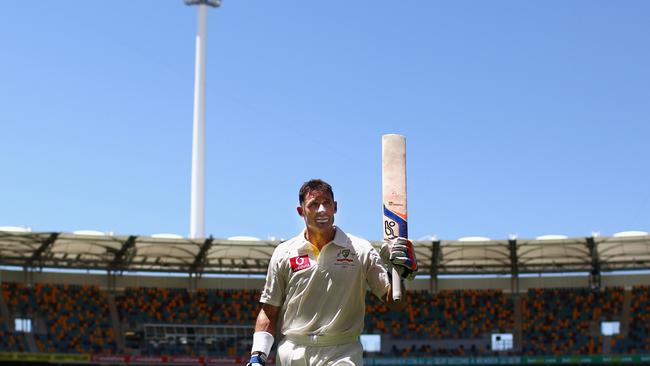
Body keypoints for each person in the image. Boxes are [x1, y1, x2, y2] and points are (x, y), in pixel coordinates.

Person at [246, 179, 417, 366]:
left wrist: (399, 273)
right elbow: (270, 310)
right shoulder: (284, 253)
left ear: (335, 207)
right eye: (314, 204)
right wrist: (258, 355)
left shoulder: (361, 250)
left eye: (327, 203)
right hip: (293, 352)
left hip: (342, 352)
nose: (322, 210)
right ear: (301, 211)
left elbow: (394, 302)